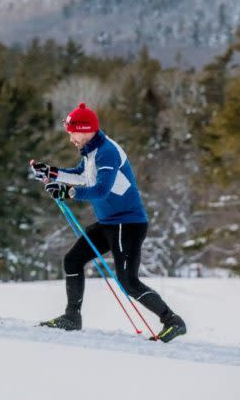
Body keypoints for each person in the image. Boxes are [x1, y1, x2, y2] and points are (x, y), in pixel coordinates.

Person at [31, 102, 186, 342]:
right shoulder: (91, 152)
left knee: (128, 282)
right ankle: (72, 318)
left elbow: (101, 189)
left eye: (73, 132)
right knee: (72, 261)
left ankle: (172, 321)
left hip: (128, 224)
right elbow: (82, 175)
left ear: (86, 130)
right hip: (108, 224)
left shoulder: (107, 152)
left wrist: (68, 193)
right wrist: (51, 173)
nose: (70, 137)